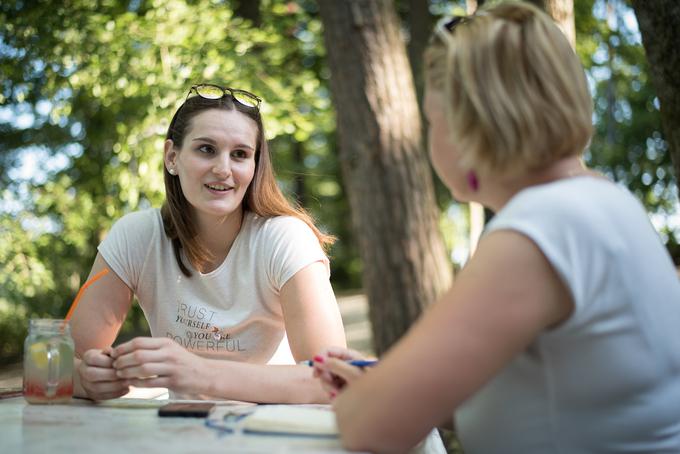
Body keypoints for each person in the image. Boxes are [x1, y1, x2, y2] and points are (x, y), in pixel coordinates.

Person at [312, 2, 680, 453]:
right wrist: (389, 378)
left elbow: (369, 426)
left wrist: (377, 394)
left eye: (433, 121)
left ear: (472, 124)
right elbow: (554, 396)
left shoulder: (538, 230)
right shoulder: (606, 201)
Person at [70, 83, 346, 403]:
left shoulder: (286, 239)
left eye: (240, 154)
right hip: (181, 433)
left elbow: (333, 379)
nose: (223, 169)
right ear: (172, 157)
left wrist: (198, 372)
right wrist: (85, 379)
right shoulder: (135, 236)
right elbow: (58, 363)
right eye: (206, 149)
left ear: (255, 165)